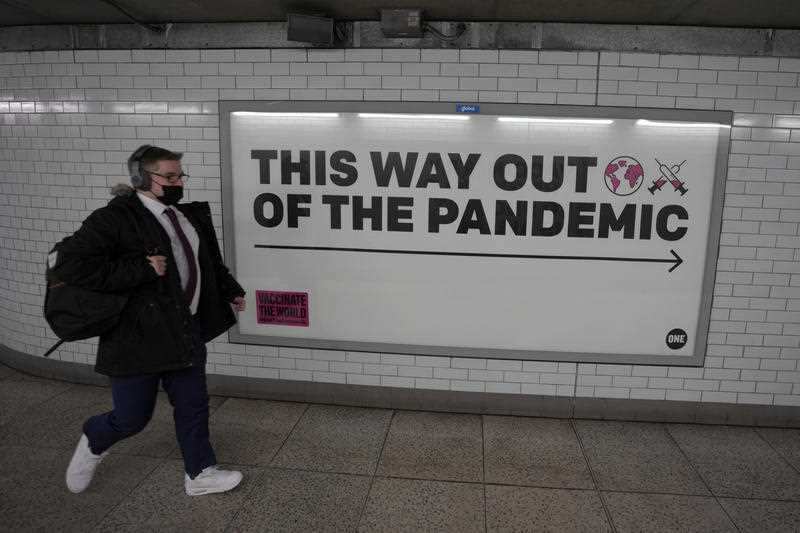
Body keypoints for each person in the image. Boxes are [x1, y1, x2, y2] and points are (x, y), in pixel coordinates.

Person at [59, 144, 247, 496]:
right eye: (169, 176)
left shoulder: (186, 216)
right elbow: (70, 265)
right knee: (132, 417)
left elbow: (205, 261)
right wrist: (140, 269)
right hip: (137, 336)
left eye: (180, 175)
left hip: (183, 329)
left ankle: (200, 473)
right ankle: (94, 438)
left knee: (193, 405)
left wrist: (230, 289)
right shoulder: (115, 218)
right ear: (141, 178)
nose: (178, 182)